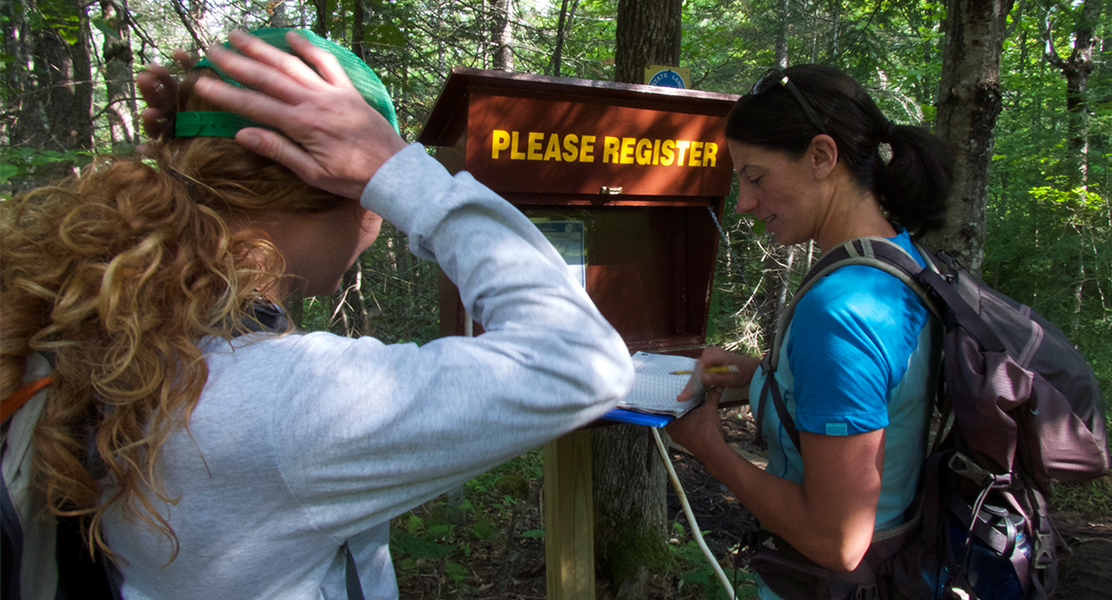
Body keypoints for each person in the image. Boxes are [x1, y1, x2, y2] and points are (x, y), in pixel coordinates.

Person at [0, 29, 633, 599]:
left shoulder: (101, 324)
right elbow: (582, 363)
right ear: (344, 188)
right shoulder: (285, 403)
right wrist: (400, 171)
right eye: (372, 190)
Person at [664, 65, 952, 599]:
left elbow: (837, 541)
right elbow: (880, 401)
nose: (745, 202)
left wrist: (711, 451)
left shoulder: (840, 311)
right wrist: (757, 377)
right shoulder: (900, 265)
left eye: (755, 176)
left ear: (822, 157)